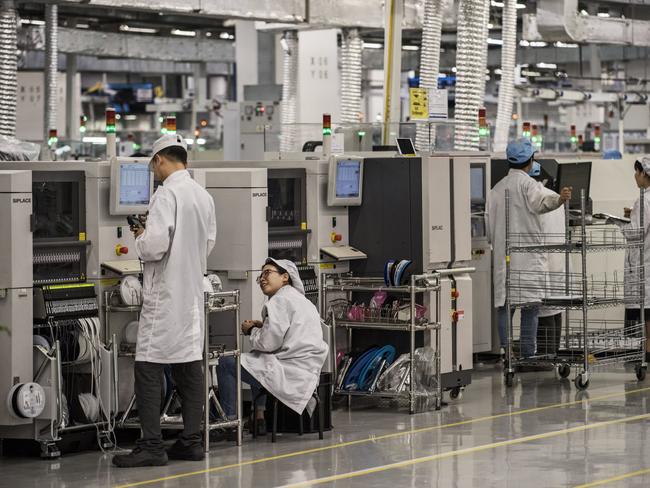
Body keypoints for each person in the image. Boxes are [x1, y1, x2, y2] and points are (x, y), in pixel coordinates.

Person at [113, 133, 217, 468]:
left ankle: (152, 445)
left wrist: (141, 238)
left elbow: (155, 247)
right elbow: (208, 243)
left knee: (147, 366)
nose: (153, 173)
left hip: (166, 295)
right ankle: (191, 441)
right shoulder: (202, 196)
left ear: (159, 159)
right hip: (191, 294)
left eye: (153, 166)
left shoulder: (165, 195)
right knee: (189, 365)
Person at [216, 258, 328, 436]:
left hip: (288, 372)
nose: (262, 278)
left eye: (267, 273)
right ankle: (259, 417)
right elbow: (287, 335)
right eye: (260, 275)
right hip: (305, 372)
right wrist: (263, 326)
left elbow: (268, 344)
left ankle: (229, 423)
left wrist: (251, 330)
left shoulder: (279, 300)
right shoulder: (301, 301)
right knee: (255, 359)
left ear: (285, 277)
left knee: (226, 362)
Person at [486, 138, 572, 359]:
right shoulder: (529, 185)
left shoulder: (496, 189)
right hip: (528, 258)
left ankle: (507, 352)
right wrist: (560, 199)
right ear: (530, 159)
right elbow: (542, 203)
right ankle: (527, 354)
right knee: (530, 307)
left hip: (504, 258)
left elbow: (488, 226)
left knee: (505, 305)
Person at [611, 157, 650, 363]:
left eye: (637, 173)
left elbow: (635, 232)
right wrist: (633, 214)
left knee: (647, 311)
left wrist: (618, 221)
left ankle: (647, 353)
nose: (635, 177)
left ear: (644, 173)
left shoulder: (644, 200)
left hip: (645, 262)